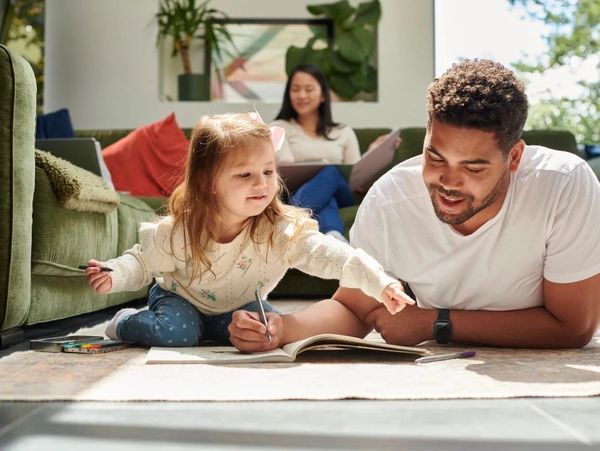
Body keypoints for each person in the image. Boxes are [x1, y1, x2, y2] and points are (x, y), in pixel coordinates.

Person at [229, 59, 600, 351]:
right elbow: (354, 306)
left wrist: (435, 323)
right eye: (435, 158)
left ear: (514, 158)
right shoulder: (391, 200)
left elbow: (572, 327)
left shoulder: (563, 186)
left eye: (473, 167)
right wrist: (282, 328)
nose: (449, 183)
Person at [82, 112, 414, 347]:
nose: (262, 184)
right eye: (244, 175)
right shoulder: (184, 229)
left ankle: (211, 332)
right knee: (177, 334)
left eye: (268, 172)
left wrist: (379, 282)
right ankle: (125, 322)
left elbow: (331, 255)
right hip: (180, 300)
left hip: (238, 307)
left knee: (267, 333)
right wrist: (114, 274)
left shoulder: (280, 230)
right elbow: (141, 262)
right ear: (208, 183)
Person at [272, 64, 396, 243]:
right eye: (295, 89)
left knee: (330, 172)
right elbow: (285, 165)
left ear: (323, 95)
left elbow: (355, 179)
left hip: (339, 192)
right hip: (293, 192)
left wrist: (373, 152)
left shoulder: (343, 132)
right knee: (326, 198)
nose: (301, 95)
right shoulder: (280, 127)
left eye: (308, 89)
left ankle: (292, 221)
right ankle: (334, 237)